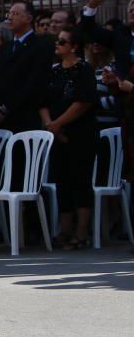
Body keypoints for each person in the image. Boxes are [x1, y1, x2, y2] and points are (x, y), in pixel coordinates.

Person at [41, 28, 97, 250]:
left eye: (62, 41)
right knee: (62, 181)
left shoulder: (84, 70)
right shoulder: (54, 71)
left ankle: (81, 232)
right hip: (56, 134)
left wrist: (60, 123)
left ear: (74, 46)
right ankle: (64, 231)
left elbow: (83, 102)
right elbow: (42, 101)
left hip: (80, 134)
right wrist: (50, 125)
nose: (58, 44)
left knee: (80, 181)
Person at [0, 0, 56, 134]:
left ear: (28, 18)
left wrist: (6, 108)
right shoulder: (5, 48)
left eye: (15, 13)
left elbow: (34, 84)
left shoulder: (40, 46)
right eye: (8, 13)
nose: (10, 17)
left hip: (22, 121)